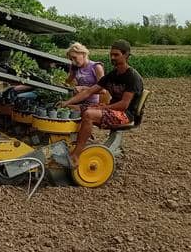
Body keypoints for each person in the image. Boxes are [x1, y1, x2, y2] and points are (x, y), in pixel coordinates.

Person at [60, 39, 143, 167]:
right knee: (74, 108)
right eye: (111, 54)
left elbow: (124, 105)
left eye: (116, 55)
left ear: (126, 55)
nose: (112, 57)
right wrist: (67, 103)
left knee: (89, 114)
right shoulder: (113, 74)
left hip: (125, 114)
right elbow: (88, 92)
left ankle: (76, 155)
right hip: (112, 110)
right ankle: (72, 142)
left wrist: (105, 107)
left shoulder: (132, 77)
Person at [64, 42, 105, 107]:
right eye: (71, 59)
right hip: (77, 100)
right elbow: (67, 81)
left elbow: (103, 91)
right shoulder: (74, 66)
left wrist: (83, 88)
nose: (73, 62)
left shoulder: (96, 67)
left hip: (91, 103)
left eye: (74, 58)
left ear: (83, 54)